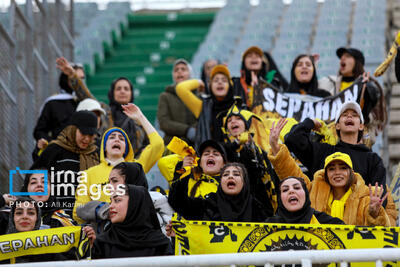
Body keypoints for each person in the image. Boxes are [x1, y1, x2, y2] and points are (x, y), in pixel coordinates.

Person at [269, 118, 396, 226]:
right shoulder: (313, 190)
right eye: (331, 169)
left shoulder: (366, 200)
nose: (337, 172)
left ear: (351, 173)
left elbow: (382, 237)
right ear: (325, 174)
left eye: (342, 168)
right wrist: (275, 147)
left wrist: (375, 214)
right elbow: (291, 173)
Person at [73, 103, 163, 223]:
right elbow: (77, 212)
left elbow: (158, 145)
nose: (116, 139)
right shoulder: (89, 174)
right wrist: (105, 211)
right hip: (102, 232)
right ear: (104, 147)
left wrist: (140, 117)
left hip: (132, 229)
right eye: (112, 137)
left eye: (121, 138)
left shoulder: (136, 167)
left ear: (126, 148)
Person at [285, 101, 386, 187]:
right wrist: (310, 122)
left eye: (354, 115)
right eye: (344, 115)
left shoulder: (373, 160)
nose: (349, 116)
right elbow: (292, 139)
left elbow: (379, 196)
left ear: (361, 126)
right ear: (337, 125)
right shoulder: (323, 152)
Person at [31, 111, 99, 216]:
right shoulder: (55, 149)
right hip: (56, 218)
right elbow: (34, 176)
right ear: (72, 129)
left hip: (87, 220)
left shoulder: (95, 154)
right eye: (83, 133)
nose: (87, 139)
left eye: (90, 135)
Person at [76, 162, 173, 235]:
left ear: (130, 182)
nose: (109, 187)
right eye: (108, 182)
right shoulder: (111, 209)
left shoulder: (156, 207)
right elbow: (80, 210)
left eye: (114, 181)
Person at [83, 184, 172, 258]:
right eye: (111, 201)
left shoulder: (160, 243)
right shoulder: (103, 242)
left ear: (134, 203)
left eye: (117, 200)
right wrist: (91, 248)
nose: (110, 206)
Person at [222, 104, 278, 216]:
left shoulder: (258, 151)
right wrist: (236, 144)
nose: (233, 122)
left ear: (246, 125)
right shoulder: (223, 149)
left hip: (260, 203)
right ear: (227, 129)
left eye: (238, 119)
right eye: (229, 121)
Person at [168, 162, 268, 222]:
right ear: (220, 183)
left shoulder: (256, 207)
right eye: (225, 175)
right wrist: (183, 171)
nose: (230, 176)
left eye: (236, 174)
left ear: (244, 182)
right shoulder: (208, 204)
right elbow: (177, 201)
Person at [318, 47, 386, 133]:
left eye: (347, 56)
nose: (342, 58)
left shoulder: (369, 85)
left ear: (357, 62)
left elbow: (374, 117)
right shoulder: (330, 82)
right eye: (341, 57)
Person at [32, 62, 86, 160]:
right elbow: (40, 131)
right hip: (59, 156)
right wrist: (50, 143)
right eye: (75, 78)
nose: (79, 82)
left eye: (81, 79)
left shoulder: (88, 103)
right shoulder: (53, 103)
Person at [176, 64, 235, 147]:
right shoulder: (202, 106)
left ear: (230, 86)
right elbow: (181, 88)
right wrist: (199, 82)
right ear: (210, 86)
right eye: (215, 80)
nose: (220, 82)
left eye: (224, 80)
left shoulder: (238, 106)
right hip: (209, 156)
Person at [159, 139, 227, 200]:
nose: (211, 155)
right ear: (200, 163)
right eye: (206, 154)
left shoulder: (227, 185)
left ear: (224, 164)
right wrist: (186, 155)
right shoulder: (186, 179)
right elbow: (163, 163)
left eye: (216, 154)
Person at [266, 177, 344, 224]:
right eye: (285, 190)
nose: (291, 191)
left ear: (306, 194)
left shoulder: (325, 221)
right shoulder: (268, 225)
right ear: (280, 198)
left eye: (296, 188)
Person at [157, 59, 197, 147]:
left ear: (190, 74)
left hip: (195, 144)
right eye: (176, 70)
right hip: (172, 146)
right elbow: (163, 122)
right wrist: (187, 130)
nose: (179, 72)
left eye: (183, 69)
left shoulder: (197, 95)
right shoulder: (165, 96)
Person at [232, 46, 283, 111]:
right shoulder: (235, 84)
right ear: (244, 63)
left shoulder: (273, 84)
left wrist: (258, 88)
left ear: (262, 62)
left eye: (257, 56)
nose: (254, 57)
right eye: (249, 56)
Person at [108, 77, 148, 157]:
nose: (122, 91)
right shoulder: (104, 114)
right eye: (118, 89)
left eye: (126, 89)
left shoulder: (139, 118)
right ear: (112, 93)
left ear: (131, 93)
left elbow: (148, 143)